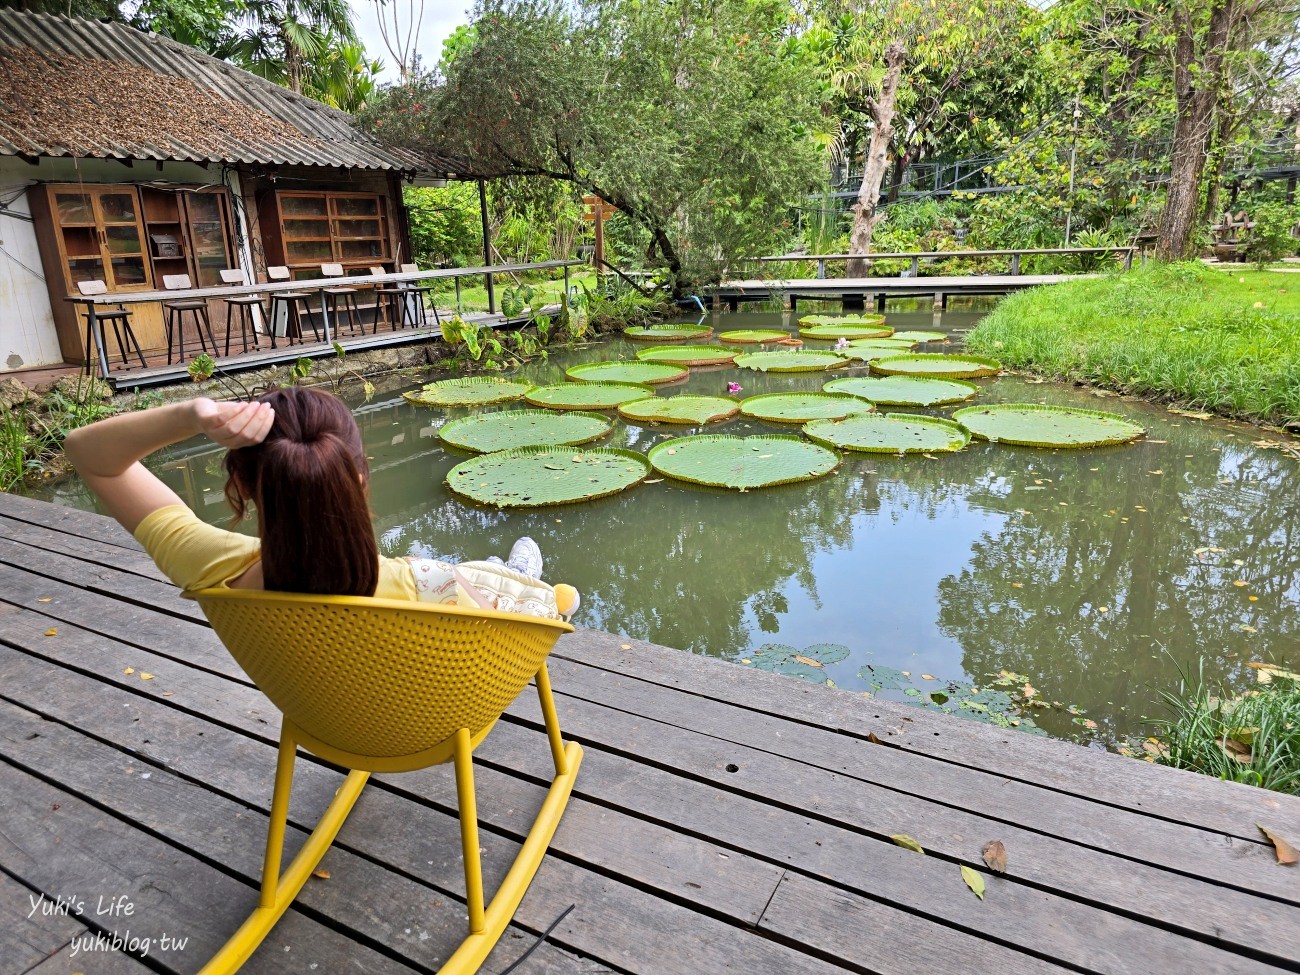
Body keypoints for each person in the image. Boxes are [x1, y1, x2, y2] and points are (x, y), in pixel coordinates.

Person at [64, 386, 577, 620]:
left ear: (242, 487)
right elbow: (554, 612)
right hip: (441, 725)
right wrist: (545, 597)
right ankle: (508, 570)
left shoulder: (207, 563)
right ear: (357, 477)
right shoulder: (429, 588)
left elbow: (89, 455)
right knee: (521, 583)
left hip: (321, 721)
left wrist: (191, 414)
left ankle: (501, 569)